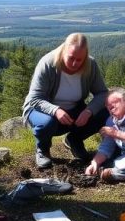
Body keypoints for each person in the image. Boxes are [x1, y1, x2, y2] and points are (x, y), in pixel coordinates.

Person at [22, 33, 109, 169]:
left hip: (74, 112)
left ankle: (74, 140)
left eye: (79, 60)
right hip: (42, 111)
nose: (74, 63)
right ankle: (43, 150)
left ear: (85, 57)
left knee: (106, 112)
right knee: (46, 124)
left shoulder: (90, 65)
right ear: (64, 51)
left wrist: (88, 111)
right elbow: (35, 98)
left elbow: (102, 93)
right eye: (71, 58)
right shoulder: (48, 64)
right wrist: (55, 110)